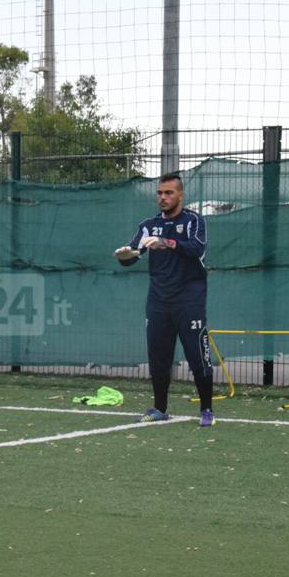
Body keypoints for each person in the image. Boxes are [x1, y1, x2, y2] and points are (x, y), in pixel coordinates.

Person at [113, 172, 215, 426]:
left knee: (197, 356)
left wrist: (167, 242)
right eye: (159, 193)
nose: (163, 197)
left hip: (189, 300)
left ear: (180, 195)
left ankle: (206, 410)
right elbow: (133, 255)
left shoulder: (193, 221)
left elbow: (196, 249)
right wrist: (125, 255)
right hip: (158, 301)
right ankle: (159, 408)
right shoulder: (148, 225)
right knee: (159, 357)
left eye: (168, 193)